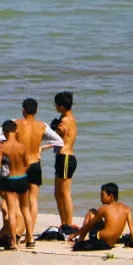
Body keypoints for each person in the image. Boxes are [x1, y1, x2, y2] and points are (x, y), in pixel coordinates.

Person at [0, 98, 62, 246]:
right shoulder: (42, 126)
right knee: (32, 201)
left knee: (15, 204)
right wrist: (42, 148)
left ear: (23, 110)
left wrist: (7, 145)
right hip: (35, 163)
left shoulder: (15, 123)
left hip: (19, 165)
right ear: (36, 111)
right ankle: (29, 237)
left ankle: (16, 235)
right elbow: (59, 141)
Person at [68, 183, 133, 251]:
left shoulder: (104, 208)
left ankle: (81, 240)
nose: (100, 197)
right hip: (112, 242)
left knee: (91, 212)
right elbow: (132, 227)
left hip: (100, 240)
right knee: (97, 216)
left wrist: (74, 234)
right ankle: (80, 240)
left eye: (102, 195)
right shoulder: (127, 209)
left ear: (110, 196)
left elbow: (88, 226)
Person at [0, 120, 30, 247]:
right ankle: (30, 239)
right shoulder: (22, 146)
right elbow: (27, 164)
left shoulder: (2, 147)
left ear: (4, 132)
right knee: (25, 209)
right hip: (22, 178)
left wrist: (5, 163)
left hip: (9, 180)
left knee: (12, 211)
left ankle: (13, 242)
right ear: (16, 131)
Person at [52, 91, 78, 234]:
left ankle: (69, 224)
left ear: (61, 106)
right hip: (61, 157)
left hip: (66, 157)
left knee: (65, 193)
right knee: (57, 193)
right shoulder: (64, 117)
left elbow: (54, 137)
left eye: (56, 104)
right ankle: (63, 224)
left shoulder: (66, 120)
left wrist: (54, 129)